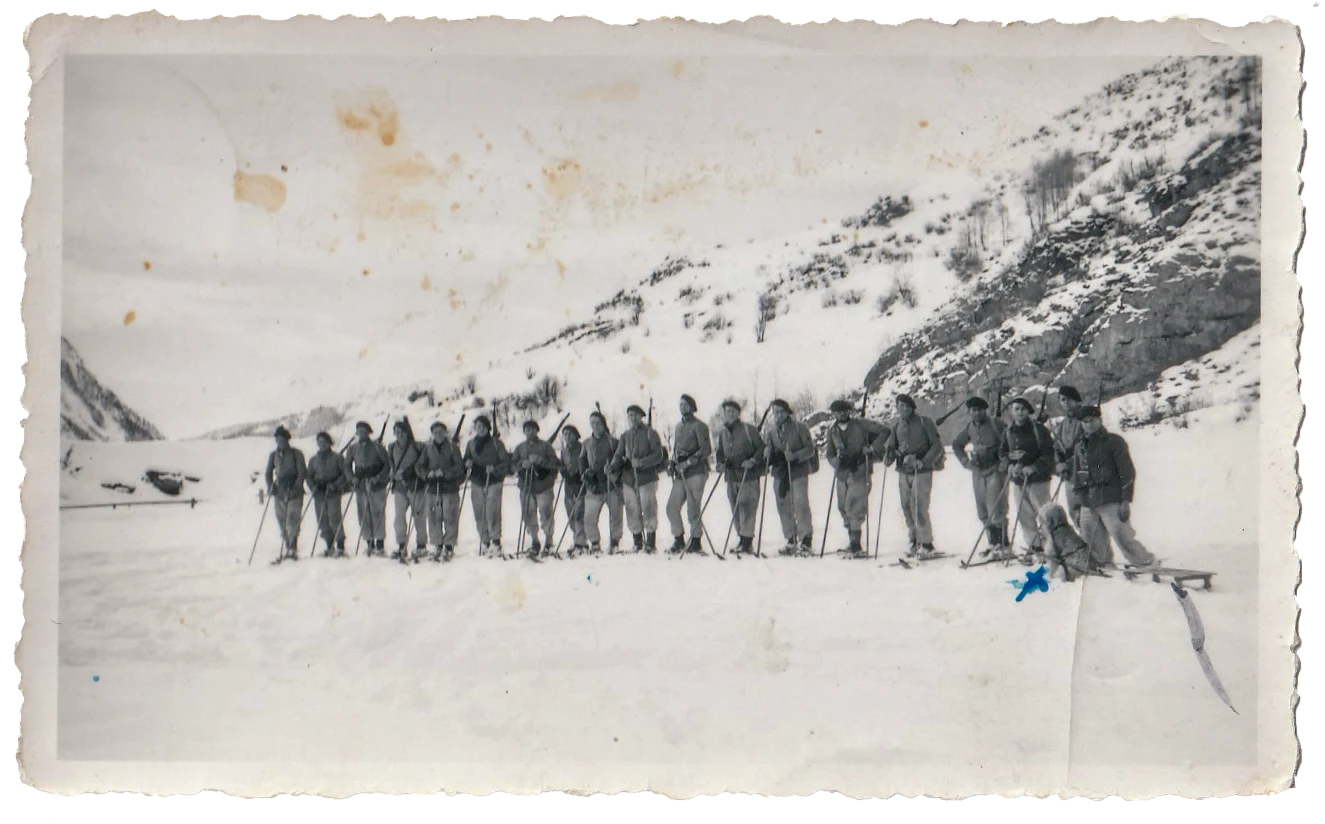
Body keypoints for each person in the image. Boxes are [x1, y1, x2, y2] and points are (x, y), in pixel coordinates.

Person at [1070, 406, 1161, 570]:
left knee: (1121, 535)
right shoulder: (1080, 447)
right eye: (1085, 422)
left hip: (1111, 496)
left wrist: (1125, 500)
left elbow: (1127, 472)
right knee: (1090, 537)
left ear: (1100, 420)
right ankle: (1104, 566)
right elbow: (1077, 476)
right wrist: (1078, 504)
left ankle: (1147, 563)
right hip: (1088, 500)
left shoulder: (1114, 441)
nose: (1089, 425)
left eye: (1092, 421)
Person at [825, 399, 890, 557]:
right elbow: (829, 454)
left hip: (860, 470)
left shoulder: (861, 424)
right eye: (838, 411)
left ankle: (856, 544)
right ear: (833, 413)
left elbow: (884, 431)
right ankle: (851, 540)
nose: (842, 414)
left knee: (854, 505)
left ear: (849, 412)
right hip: (842, 474)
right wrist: (836, 462)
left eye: (845, 411)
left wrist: (872, 448)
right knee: (842, 507)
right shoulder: (832, 431)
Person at [883, 394, 943, 557]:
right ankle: (914, 540)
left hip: (921, 471)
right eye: (901, 406)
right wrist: (889, 457)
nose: (904, 409)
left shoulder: (925, 422)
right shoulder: (896, 426)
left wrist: (923, 461)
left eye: (907, 406)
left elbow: (936, 446)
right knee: (906, 506)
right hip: (903, 472)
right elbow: (892, 447)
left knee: (919, 506)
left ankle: (927, 544)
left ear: (912, 408)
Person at [952, 396, 1011, 559]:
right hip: (978, 471)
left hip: (995, 470)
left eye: (980, 410)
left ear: (985, 410)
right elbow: (957, 445)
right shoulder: (969, 427)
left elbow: (1010, 440)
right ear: (970, 412)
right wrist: (966, 462)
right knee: (982, 510)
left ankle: (1004, 545)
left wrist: (1004, 461)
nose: (977, 413)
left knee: (997, 507)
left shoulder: (996, 423)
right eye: (973, 410)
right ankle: (993, 543)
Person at [998, 397, 1055, 559]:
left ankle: (1052, 547)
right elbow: (1002, 453)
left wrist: (1034, 467)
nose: (1020, 412)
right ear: (1011, 411)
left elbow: (1048, 453)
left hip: (1038, 480)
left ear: (1028, 411)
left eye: (1023, 409)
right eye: (1016, 409)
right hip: (1018, 480)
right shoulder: (1008, 431)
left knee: (1044, 514)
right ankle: (1035, 547)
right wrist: (1009, 465)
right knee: (1024, 515)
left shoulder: (1038, 430)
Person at [610, 404, 666, 552]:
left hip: (647, 478)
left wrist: (641, 462)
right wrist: (613, 465)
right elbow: (618, 454)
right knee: (632, 509)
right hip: (629, 479)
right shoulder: (625, 435)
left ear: (641, 416)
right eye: (630, 415)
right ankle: (637, 540)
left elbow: (658, 455)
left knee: (648, 508)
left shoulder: (650, 433)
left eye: (635, 414)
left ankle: (650, 541)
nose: (632, 417)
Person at [765, 398, 818, 556]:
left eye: (781, 412)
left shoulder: (799, 428)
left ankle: (806, 539)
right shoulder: (772, 432)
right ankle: (790, 538)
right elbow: (771, 451)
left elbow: (810, 449)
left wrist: (795, 455)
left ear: (788, 412)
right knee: (783, 506)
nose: (779, 415)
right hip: (781, 473)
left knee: (800, 503)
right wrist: (768, 454)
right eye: (776, 413)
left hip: (798, 471)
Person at [713, 400, 766, 555]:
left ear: (738, 414)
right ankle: (741, 538)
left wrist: (753, 461)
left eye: (733, 411)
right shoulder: (723, 432)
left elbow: (761, 448)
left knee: (747, 507)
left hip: (748, 476)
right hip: (731, 476)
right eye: (727, 411)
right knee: (735, 508)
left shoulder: (749, 430)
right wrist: (720, 464)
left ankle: (747, 541)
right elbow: (720, 452)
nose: (730, 414)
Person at [665, 394, 713, 554]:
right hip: (681, 474)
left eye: (685, 405)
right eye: (680, 405)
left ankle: (696, 541)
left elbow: (706, 449)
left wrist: (689, 462)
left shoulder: (700, 426)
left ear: (692, 407)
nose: (682, 408)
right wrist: (672, 463)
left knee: (693, 508)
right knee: (671, 507)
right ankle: (678, 539)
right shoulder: (678, 427)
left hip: (696, 472)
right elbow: (676, 449)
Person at [418, 421, 465, 561]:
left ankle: (449, 546)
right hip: (433, 488)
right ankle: (437, 544)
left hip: (449, 487)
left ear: (445, 433)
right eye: (435, 432)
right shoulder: (428, 449)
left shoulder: (452, 448)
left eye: (441, 431)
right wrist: (427, 474)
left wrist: (445, 473)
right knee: (434, 517)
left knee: (450, 516)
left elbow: (459, 467)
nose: (438, 434)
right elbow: (419, 466)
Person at [512, 420, 560, 558]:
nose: (530, 432)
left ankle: (549, 541)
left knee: (546, 513)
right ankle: (534, 540)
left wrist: (540, 461)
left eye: (533, 429)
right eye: (527, 429)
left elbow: (555, 464)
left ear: (537, 430)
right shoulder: (519, 448)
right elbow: (513, 465)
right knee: (528, 514)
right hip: (526, 486)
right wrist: (522, 464)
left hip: (543, 486)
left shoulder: (546, 446)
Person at [464, 415, 511, 557]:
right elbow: (466, 458)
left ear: (488, 428)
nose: (481, 429)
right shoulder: (471, 444)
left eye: (483, 426)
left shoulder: (497, 443)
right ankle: (484, 540)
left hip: (493, 481)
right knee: (479, 512)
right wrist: (467, 463)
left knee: (492, 511)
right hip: (477, 481)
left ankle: (496, 541)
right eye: (478, 427)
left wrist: (495, 468)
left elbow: (506, 462)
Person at [580, 411, 624, 554]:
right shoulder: (586, 443)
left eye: (598, 423)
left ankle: (615, 541)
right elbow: (582, 460)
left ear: (603, 424)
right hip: (594, 487)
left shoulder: (613, 441)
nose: (595, 426)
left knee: (616, 515)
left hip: (611, 485)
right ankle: (594, 542)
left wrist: (614, 468)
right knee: (589, 517)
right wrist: (585, 472)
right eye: (592, 423)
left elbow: (621, 459)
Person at [346, 420, 391, 556]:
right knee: (363, 514)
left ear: (368, 432)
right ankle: (369, 543)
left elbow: (387, 465)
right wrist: (352, 478)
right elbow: (346, 466)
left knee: (378, 512)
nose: (362, 434)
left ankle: (380, 544)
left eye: (364, 431)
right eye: (359, 432)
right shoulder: (352, 448)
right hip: (360, 484)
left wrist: (378, 478)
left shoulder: (377, 447)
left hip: (376, 484)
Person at [264, 426, 308, 561]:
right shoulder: (273, 455)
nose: (280, 442)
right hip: (279, 491)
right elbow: (268, 473)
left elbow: (302, 472)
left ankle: (293, 547)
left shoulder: (296, 453)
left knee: (292, 519)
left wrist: (297, 486)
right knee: (281, 519)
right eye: (277, 439)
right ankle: (288, 545)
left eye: (283, 439)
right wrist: (271, 486)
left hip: (295, 491)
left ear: (288, 440)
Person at [306, 431, 352, 557]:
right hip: (319, 493)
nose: (322, 444)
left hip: (333, 492)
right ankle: (329, 546)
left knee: (334, 518)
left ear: (329, 443)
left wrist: (336, 485)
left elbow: (345, 474)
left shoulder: (337, 458)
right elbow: (308, 476)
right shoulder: (313, 460)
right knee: (322, 519)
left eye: (324, 442)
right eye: (319, 442)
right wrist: (313, 487)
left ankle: (340, 547)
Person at [388, 419, 427, 562]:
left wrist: (413, 472)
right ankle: (401, 544)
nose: (399, 435)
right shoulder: (391, 447)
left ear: (406, 432)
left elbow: (424, 460)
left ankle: (421, 545)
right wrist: (392, 473)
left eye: (401, 432)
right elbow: (391, 464)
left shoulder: (417, 446)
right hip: (399, 487)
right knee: (399, 517)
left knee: (419, 516)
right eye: (396, 432)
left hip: (416, 485)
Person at [1052, 385, 1088, 527]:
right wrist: (1059, 463)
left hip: (1083, 473)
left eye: (1069, 399)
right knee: (1074, 512)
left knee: (1086, 513)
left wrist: (1069, 462)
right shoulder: (1063, 424)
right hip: (1069, 475)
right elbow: (1057, 446)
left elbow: (1085, 447)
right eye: (1062, 400)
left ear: (1077, 401)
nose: (1065, 403)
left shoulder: (1085, 420)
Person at [1036, 501, 1093, 582]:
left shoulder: (1054, 537)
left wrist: (1050, 575)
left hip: (1074, 566)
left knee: (1061, 572)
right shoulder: (1069, 530)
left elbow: (1052, 557)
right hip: (1087, 561)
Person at [558, 425, 590, 556]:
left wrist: (582, 473)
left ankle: (581, 542)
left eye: (570, 433)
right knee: (571, 514)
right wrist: (563, 471)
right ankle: (576, 539)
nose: (567, 436)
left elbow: (587, 463)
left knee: (579, 514)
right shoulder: (564, 451)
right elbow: (562, 464)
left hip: (580, 485)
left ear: (576, 435)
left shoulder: (583, 448)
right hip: (569, 486)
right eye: (564, 434)